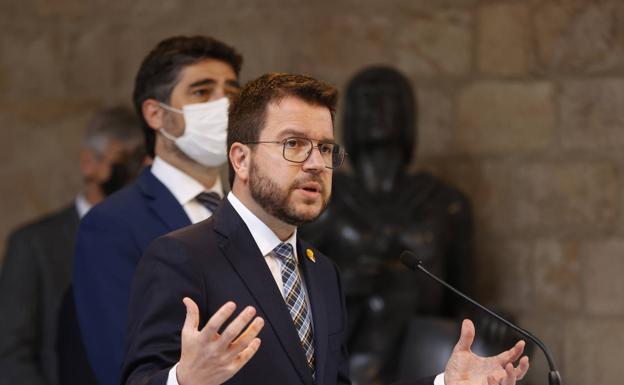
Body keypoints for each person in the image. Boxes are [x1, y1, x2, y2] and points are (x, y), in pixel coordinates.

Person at [122, 73, 529, 385]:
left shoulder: (321, 272)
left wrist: (446, 383)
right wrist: (183, 380)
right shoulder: (183, 256)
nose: (316, 163)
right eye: (294, 144)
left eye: (325, 148)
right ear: (241, 160)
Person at [72, 35, 243, 385]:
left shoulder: (250, 212)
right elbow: (118, 361)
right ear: (155, 114)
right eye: (201, 92)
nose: (223, 105)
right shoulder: (111, 224)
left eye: (231, 91)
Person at [0, 106, 144, 385]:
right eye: (125, 160)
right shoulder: (34, 245)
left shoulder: (156, 237)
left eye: (142, 162)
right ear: (89, 162)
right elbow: (11, 352)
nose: (134, 174)